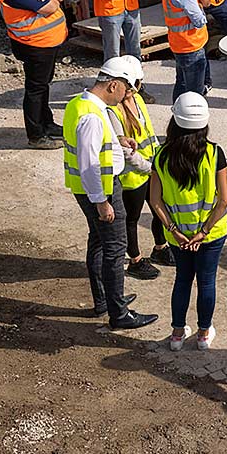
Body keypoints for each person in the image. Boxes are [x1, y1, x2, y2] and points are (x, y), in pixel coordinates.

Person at [64, 59, 159, 331]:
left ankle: (105, 299)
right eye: (127, 87)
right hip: (101, 188)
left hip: (90, 189)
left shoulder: (80, 104)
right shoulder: (93, 116)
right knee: (115, 248)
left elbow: (92, 147)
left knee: (98, 241)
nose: (127, 94)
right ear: (113, 84)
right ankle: (119, 313)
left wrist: (118, 142)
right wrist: (102, 201)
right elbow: (90, 163)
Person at [151, 92, 227, 352]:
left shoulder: (161, 156)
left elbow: (155, 201)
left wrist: (173, 230)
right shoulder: (214, 153)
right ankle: (203, 334)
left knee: (183, 279)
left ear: (174, 122)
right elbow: (224, 201)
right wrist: (204, 232)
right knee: (206, 281)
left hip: (178, 236)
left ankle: (176, 334)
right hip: (210, 234)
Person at [0, 0, 68, 149]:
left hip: (45, 44)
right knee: (36, 90)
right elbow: (49, 7)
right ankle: (36, 135)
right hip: (34, 45)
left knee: (43, 86)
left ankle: (47, 123)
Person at [109, 55, 167, 279]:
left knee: (157, 209)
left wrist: (158, 159)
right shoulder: (112, 111)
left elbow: (149, 133)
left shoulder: (138, 101)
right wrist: (148, 167)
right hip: (133, 175)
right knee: (131, 219)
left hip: (150, 168)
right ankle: (135, 260)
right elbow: (124, 150)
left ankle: (160, 248)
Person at [162, 0, 210, 102]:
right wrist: (203, 15)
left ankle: (177, 116)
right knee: (194, 94)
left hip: (180, 44)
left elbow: (206, 1)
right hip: (191, 45)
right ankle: (190, 122)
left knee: (182, 85)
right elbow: (198, 20)